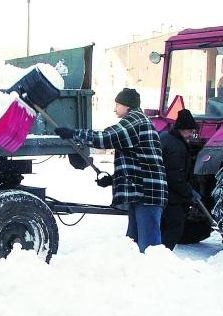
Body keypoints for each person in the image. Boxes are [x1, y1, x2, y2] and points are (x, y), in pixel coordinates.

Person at [55, 88, 168, 253]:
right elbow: (138, 162)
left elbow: (106, 138)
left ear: (127, 105)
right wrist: (114, 179)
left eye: (117, 104)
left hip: (147, 194)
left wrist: (73, 133)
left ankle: (155, 276)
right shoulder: (138, 122)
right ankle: (139, 275)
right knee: (134, 244)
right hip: (142, 191)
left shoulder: (135, 121)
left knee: (149, 248)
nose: (115, 109)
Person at [160, 109, 199, 250]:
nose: (191, 135)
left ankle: (157, 256)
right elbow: (175, 177)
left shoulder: (165, 138)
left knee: (163, 228)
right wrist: (189, 193)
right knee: (174, 229)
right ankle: (161, 257)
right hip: (172, 198)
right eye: (190, 131)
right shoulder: (177, 147)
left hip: (163, 195)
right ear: (183, 129)